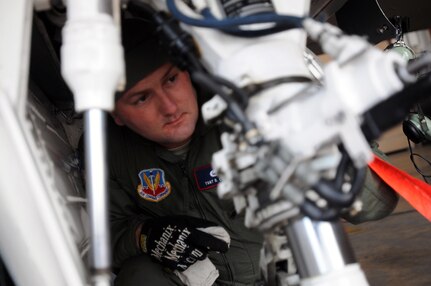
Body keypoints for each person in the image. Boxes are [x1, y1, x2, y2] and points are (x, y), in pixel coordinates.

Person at [107, 16, 399, 286]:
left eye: (171, 80)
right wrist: (143, 235)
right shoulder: (108, 150)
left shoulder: (248, 106)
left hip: (285, 273)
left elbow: (378, 205)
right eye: (142, 98)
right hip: (201, 281)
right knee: (139, 276)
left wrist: (318, 149)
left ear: (187, 70)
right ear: (115, 114)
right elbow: (100, 238)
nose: (169, 107)